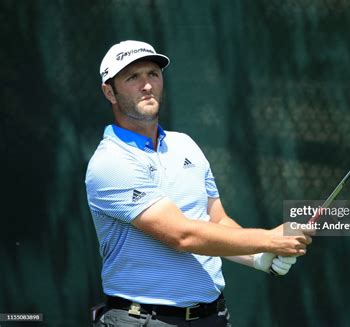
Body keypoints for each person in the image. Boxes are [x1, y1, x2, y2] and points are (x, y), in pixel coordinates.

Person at [85, 40, 312, 327]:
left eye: (153, 74)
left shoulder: (185, 145)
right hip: (142, 320)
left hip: (213, 318)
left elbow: (217, 221)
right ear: (110, 92)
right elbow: (182, 236)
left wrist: (258, 257)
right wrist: (268, 239)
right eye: (133, 77)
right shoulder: (111, 161)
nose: (147, 85)